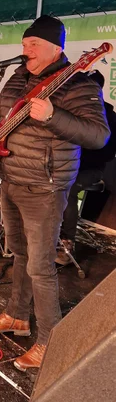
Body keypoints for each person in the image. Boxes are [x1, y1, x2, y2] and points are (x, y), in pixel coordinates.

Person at [0, 15, 109, 371]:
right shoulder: (17, 78)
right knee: (19, 254)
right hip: (11, 179)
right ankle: (17, 315)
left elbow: (98, 136)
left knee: (42, 266)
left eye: (33, 45)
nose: (25, 49)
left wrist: (52, 116)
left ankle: (51, 340)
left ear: (56, 49)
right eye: (25, 43)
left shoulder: (78, 85)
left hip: (45, 187)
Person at [57, 70, 116, 265]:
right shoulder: (70, 112)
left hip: (93, 169)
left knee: (70, 187)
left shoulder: (109, 116)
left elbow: (106, 153)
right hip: (68, 165)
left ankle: (67, 243)